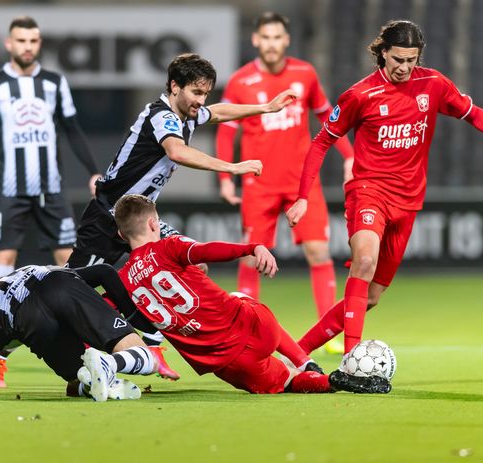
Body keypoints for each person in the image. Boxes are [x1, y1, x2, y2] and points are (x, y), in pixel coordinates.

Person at [286, 20, 483, 356]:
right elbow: (321, 142)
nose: (404, 67)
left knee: (371, 297)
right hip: (369, 191)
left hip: (408, 202)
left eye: (411, 60)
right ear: (383, 53)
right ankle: (352, 358)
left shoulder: (432, 84)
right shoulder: (360, 95)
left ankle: (297, 352)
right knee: (365, 261)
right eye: (398, 59)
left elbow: (471, 113)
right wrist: (302, 198)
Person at [66, 53, 298, 379]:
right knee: (67, 291)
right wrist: (232, 167)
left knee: (190, 263)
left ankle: (152, 345)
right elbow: (177, 151)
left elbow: (217, 112)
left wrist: (265, 108)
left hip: (141, 220)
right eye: (196, 92)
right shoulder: (161, 116)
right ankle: (1, 347)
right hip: (107, 218)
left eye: (206, 93)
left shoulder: (187, 113)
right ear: (175, 87)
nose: (201, 101)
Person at [84, 193, 391, 395]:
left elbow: (98, 315)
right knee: (239, 297)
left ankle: (330, 381)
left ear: (122, 235)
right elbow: (208, 250)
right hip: (255, 328)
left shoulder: (122, 281)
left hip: (228, 364)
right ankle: (304, 360)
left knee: (287, 383)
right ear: (154, 222)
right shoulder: (169, 246)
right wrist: (251, 248)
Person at [0, 16, 100, 387]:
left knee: (70, 267)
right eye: (21, 40)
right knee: (2, 268)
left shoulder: (55, 83)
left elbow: (73, 131)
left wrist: (93, 171)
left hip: (51, 190)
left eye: (33, 40)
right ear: (9, 44)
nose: (28, 46)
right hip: (9, 191)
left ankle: (84, 340)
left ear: (39, 44)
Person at [216, 13, 354, 353]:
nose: (271, 44)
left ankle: (328, 333)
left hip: (301, 183)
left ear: (287, 40)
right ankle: (245, 332)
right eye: (265, 37)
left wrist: (350, 156)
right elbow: (226, 131)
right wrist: (226, 176)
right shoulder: (240, 81)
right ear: (255, 40)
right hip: (258, 183)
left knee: (318, 251)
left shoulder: (305, 74)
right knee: (251, 256)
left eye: (277, 37)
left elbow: (328, 117)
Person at [0, 264, 160, 402]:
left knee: (76, 379)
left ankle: (102, 369)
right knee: (147, 358)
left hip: (30, 319)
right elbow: (105, 271)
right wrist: (134, 317)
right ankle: (109, 368)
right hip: (59, 282)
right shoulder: (25, 271)